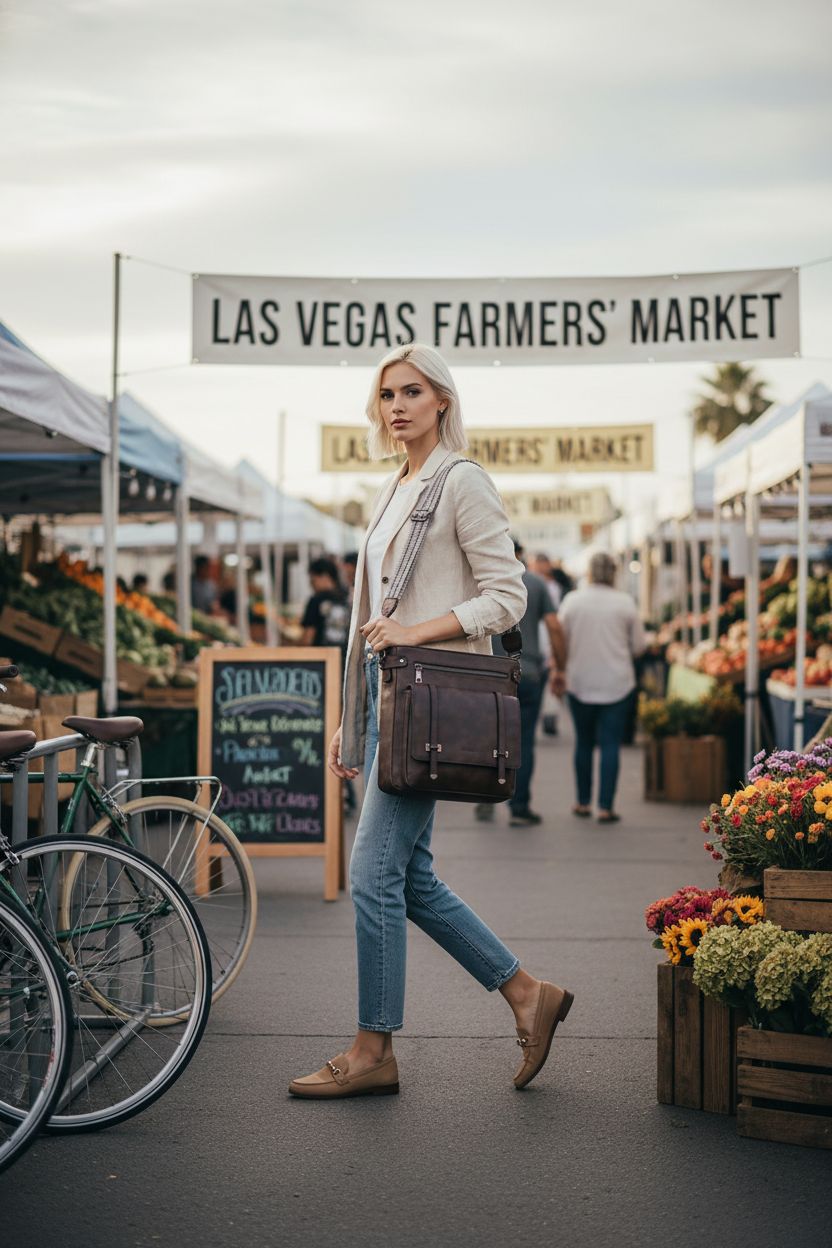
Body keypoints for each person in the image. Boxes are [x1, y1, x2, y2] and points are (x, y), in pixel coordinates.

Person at [289, 343, 574, 1100]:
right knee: (408, 878)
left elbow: (507, 597)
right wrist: (351, 717)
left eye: (412, 392)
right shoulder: (395, 486)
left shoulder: (461, 479)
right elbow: (370, 616)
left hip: (428, 703)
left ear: (442, 400)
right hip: (388, 700)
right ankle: (526, 994)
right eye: (387, 395)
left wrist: (417, 631)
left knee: (372, 874)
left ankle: (373, 1047)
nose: (397, 407)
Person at [477, 540, 565, 826]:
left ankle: (485, 798)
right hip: (527, 672)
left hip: (487, 673)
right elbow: (554, 626)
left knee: (488, 738)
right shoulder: (536, 583)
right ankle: (519, 807)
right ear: (520, 555)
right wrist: (561, 667)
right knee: (524, 741)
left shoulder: (481, 582)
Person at [557, 551, 646, 823]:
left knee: (583, 742)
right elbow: (639, 646)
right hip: (617, 682)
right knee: (610, 744)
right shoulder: (625, 602)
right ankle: (605, 806)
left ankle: (583, 802)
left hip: (580, 680)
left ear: (590, 572)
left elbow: (559, 640)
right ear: (614, 573)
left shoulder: (572, 601)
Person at [299, 557, 351, 652]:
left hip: (320, 657)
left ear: (324, 576)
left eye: (313, 580)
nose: (311, 585)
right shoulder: (348, 598)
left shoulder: (316, 600)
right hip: (345, 656)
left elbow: (308, 639)